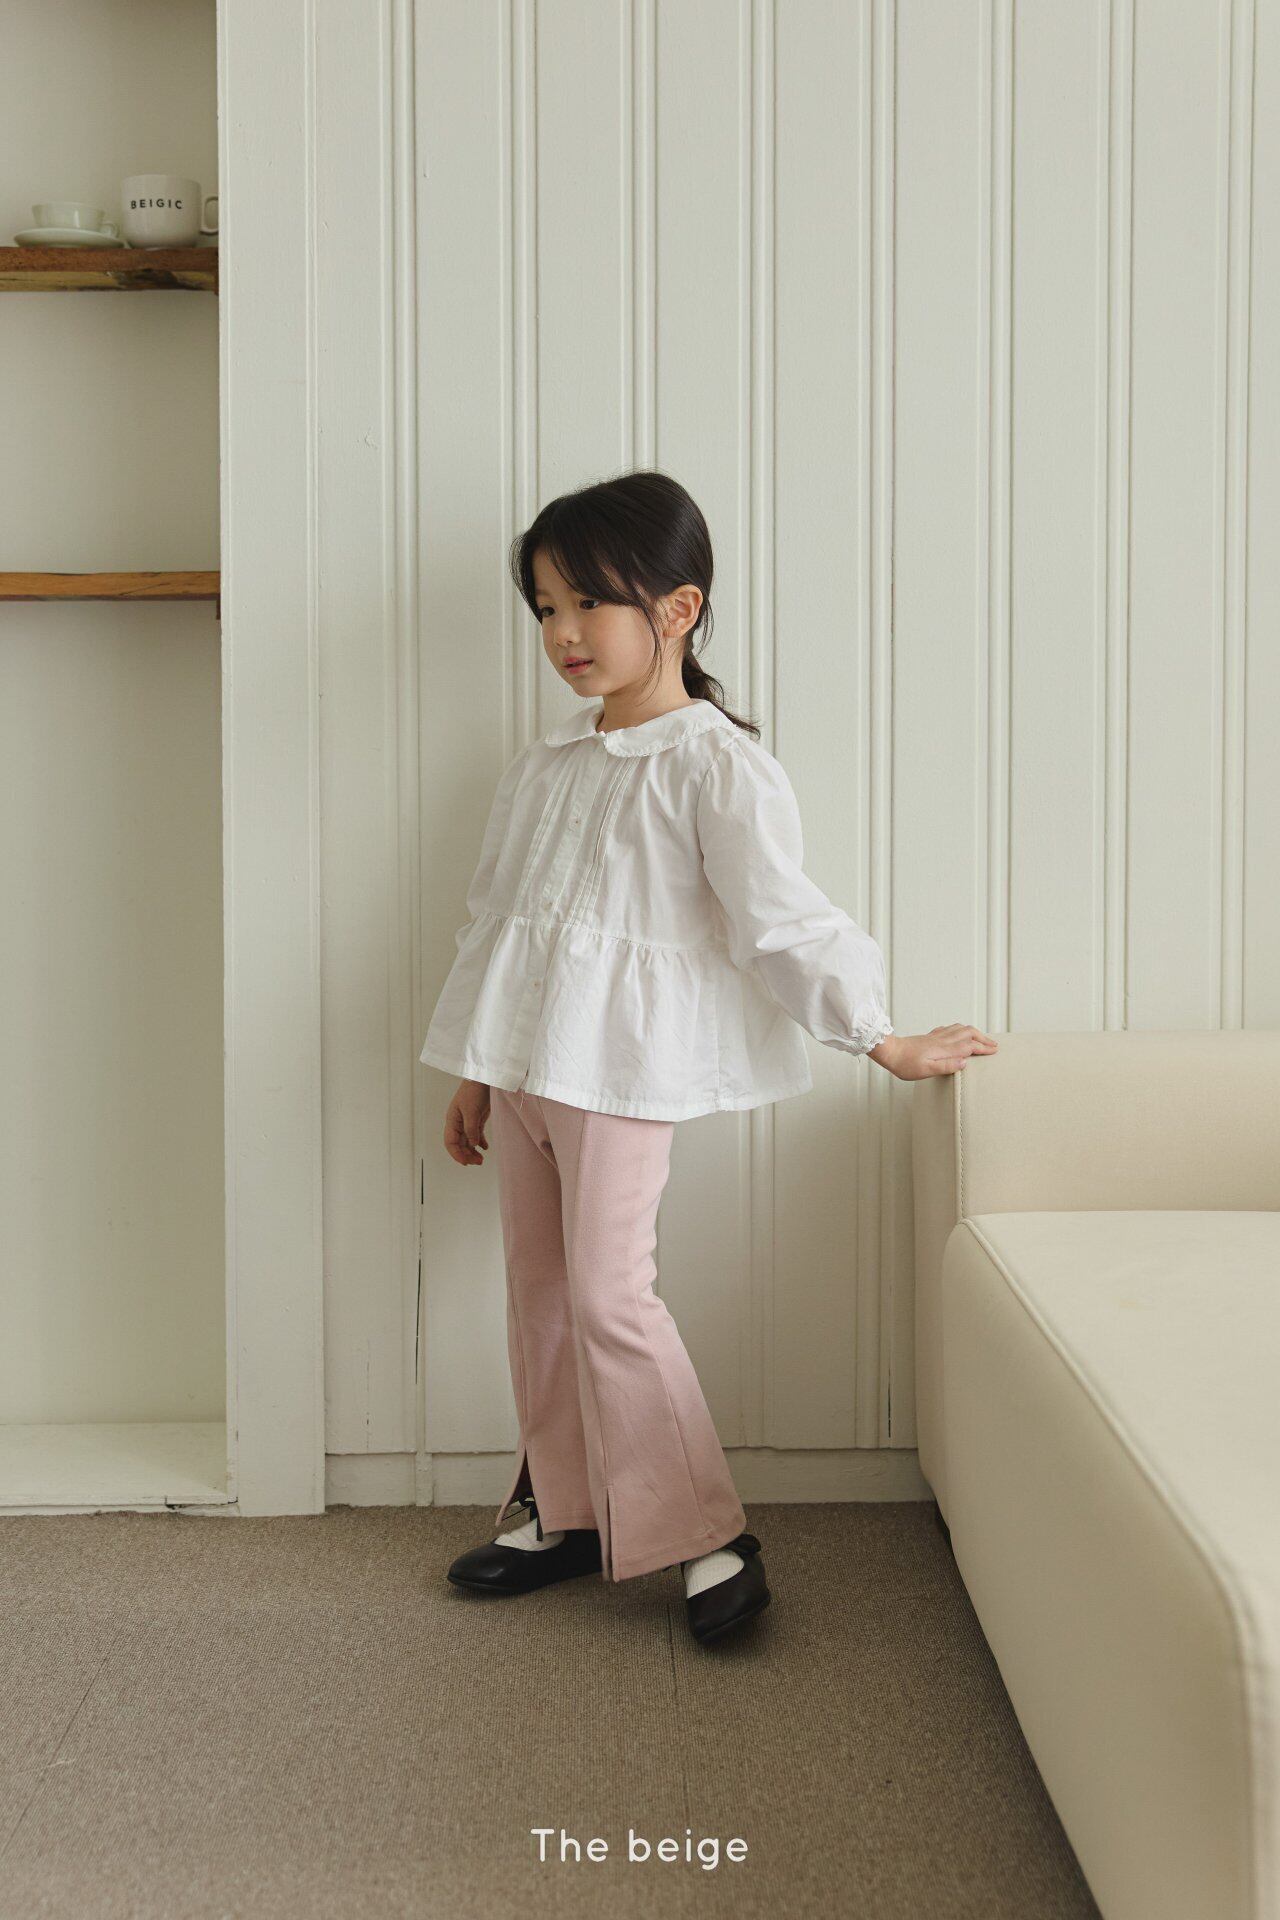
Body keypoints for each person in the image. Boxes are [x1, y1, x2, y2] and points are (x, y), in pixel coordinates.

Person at [420, 469, 997, 1645]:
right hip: (523, 1072)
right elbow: (498, 920)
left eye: (589, 602)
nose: (564, 632)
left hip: (615, 1075)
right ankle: (568, 1513)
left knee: (607, 1296)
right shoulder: (545, 765)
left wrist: (876, 1035)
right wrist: (477, 1067)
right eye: (545, 608)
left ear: (676, 609)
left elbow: (778, 919)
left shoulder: (711, 763)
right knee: (539, 1297)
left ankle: (706, 1533)